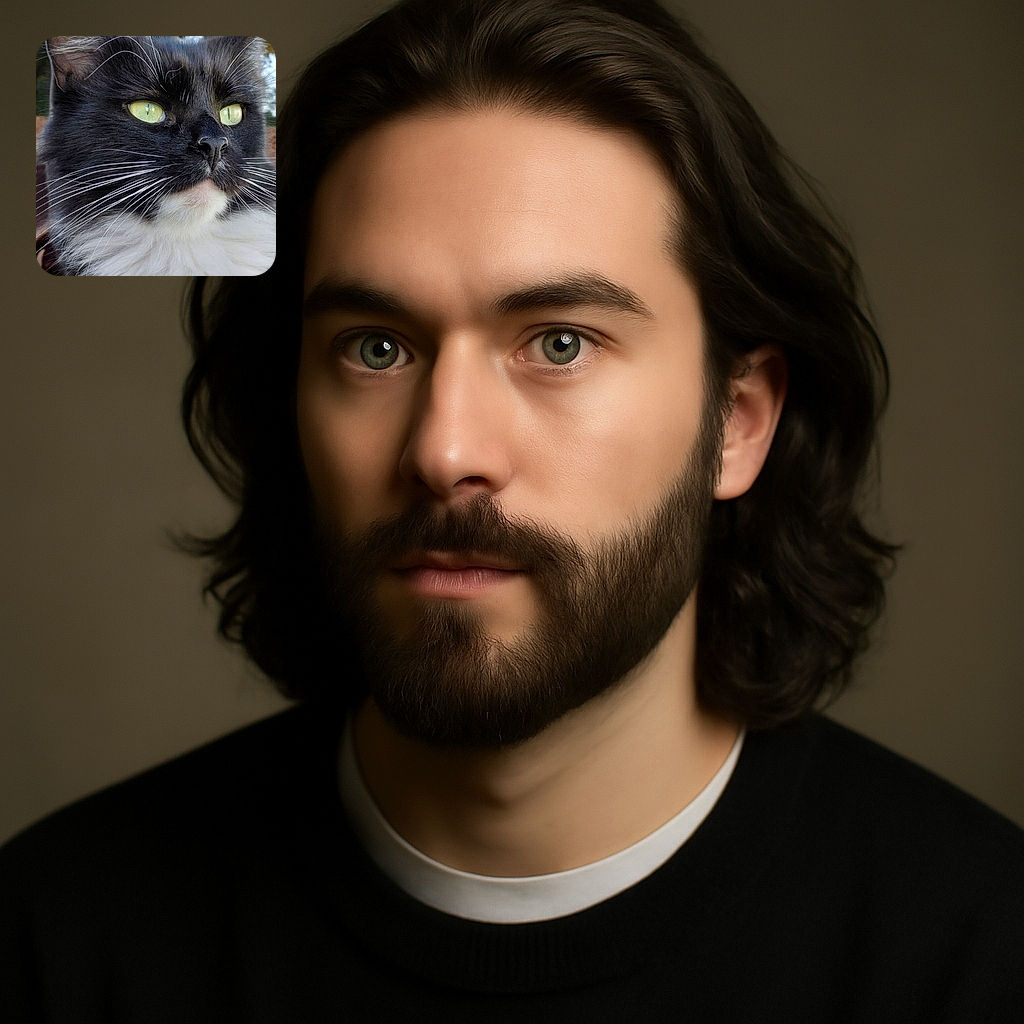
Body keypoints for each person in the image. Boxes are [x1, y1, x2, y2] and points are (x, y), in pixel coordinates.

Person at [3, 0, 1022, 1019]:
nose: (444, 451)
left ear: (737, 422)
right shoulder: (57, 943)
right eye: (376, 347)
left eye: (560, 342)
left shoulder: (978, 958)